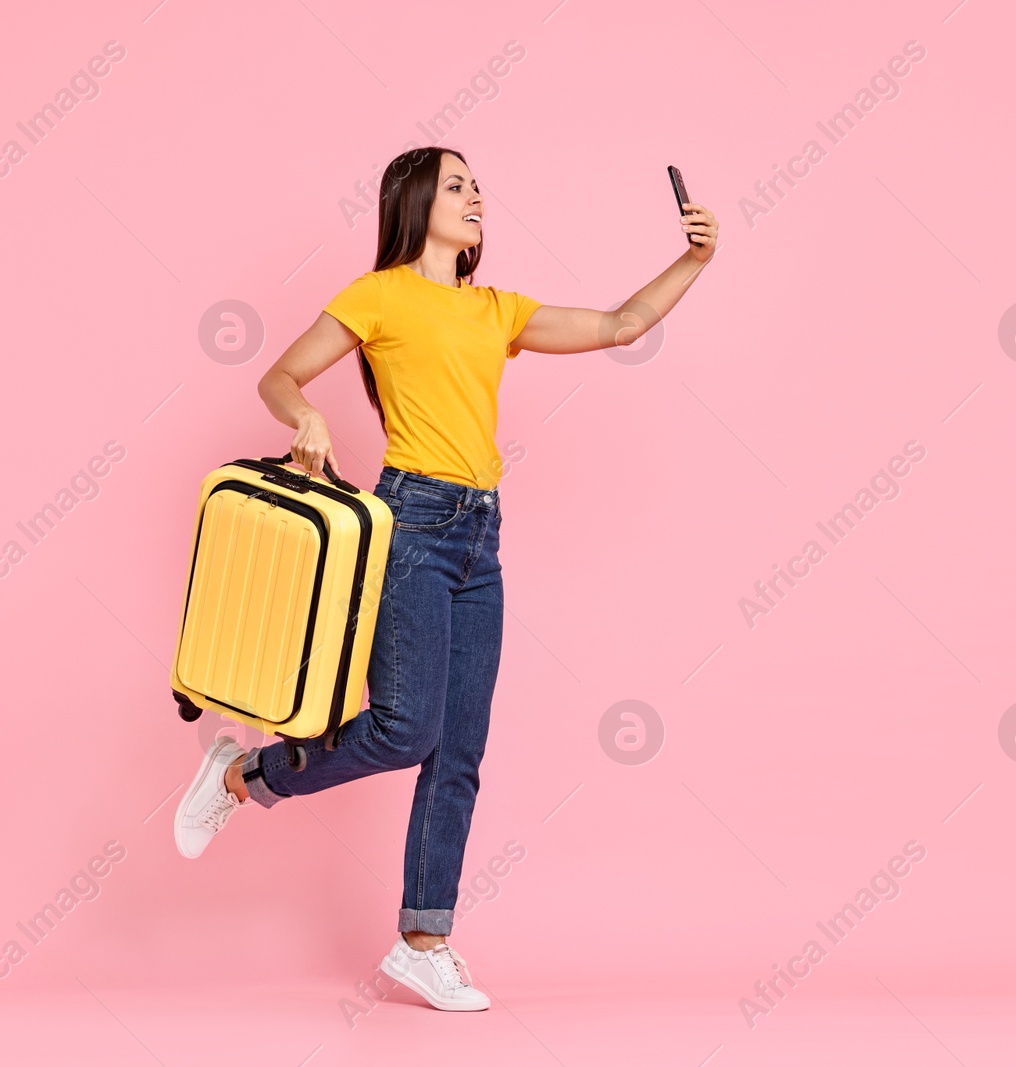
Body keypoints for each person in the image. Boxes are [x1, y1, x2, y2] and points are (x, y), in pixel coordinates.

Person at [175, 146, 717, 1011]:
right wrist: (308, 414)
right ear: (416, 200)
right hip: (412, 527)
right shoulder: (378, 294)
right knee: (405, 728)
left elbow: (620, 324)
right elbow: (278, 375)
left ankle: (424, 941)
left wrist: (692, 259)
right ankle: (245, 777)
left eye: (477, 189)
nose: (475, 199)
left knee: (458, 751)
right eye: (458, 185)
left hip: (481, 537)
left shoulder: (496, 310)